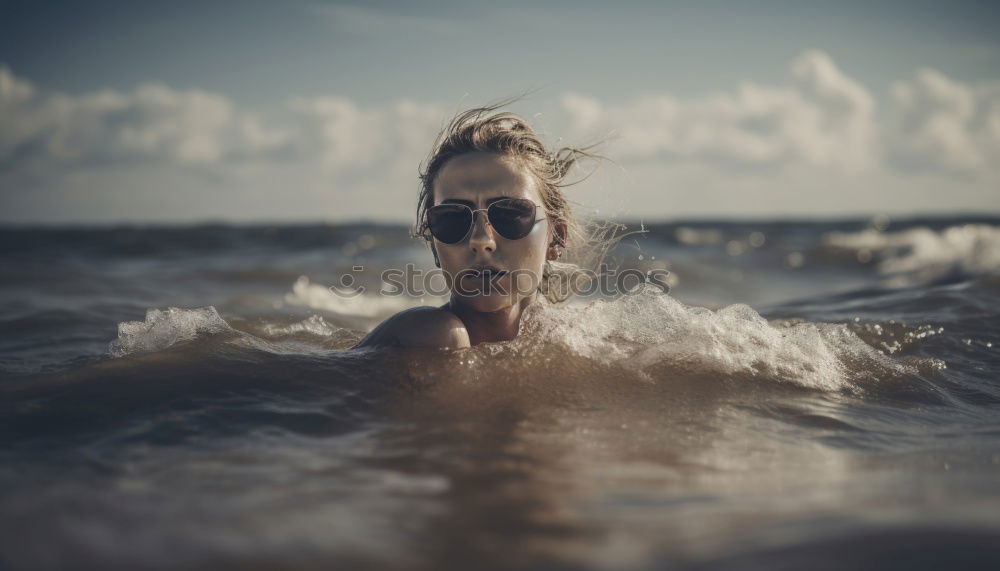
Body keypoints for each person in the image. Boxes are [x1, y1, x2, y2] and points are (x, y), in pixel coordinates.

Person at [355, 104, 598, 349]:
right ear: (433, 245)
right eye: (452, 220)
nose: (481, 240)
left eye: (511, 215)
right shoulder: (433, 336)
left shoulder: (583, 343)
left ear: (556, 237)